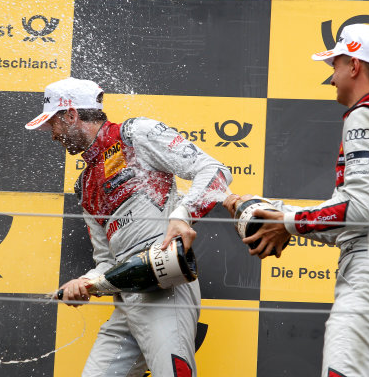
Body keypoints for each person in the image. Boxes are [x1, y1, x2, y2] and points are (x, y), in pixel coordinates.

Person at [223, 24, 369, 377]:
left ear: (354, 66)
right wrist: (283, 219)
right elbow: (356, 220)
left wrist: (282, 221)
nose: (331, 78)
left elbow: (359, 212)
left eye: (334, 65)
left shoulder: (366, 114)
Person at [26, 77, 232, 377]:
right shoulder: (84, 186)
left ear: (71, 114)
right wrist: (84, 283)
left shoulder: (134, 134)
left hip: (164, 289)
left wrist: (182, 214)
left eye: (53, 125)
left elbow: (215, 171)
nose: (53, 135)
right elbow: (106, 262)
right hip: (127, 297)